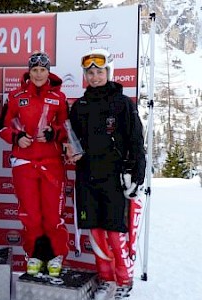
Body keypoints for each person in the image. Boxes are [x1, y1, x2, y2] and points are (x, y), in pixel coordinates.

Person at [68, 48, 146, 299]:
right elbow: (72, 140)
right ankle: (105, 279)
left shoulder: (123, 104)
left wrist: (137, 174)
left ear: (108, 72)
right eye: (90, 72)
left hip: (114, 178)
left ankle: (124, 281)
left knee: (115, 232)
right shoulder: (79, 105)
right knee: (96, 232)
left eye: (99, 72)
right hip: (87, 176)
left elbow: (136, 141)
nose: (94, 76)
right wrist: (70, 151)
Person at [0, 51, 69, 277]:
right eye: (35, 70)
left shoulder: (59, 98)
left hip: (51, 163)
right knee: (30, 214)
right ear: (29, 72)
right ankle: (35, 255)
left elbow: (68, 129)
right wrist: (17, 138)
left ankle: (56, 255)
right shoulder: (16, 96)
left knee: (52, 215)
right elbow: (2, 127)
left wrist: (54, 133)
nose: (39, 74)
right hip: (24, 163)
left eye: (43, 70)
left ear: (49, 72)